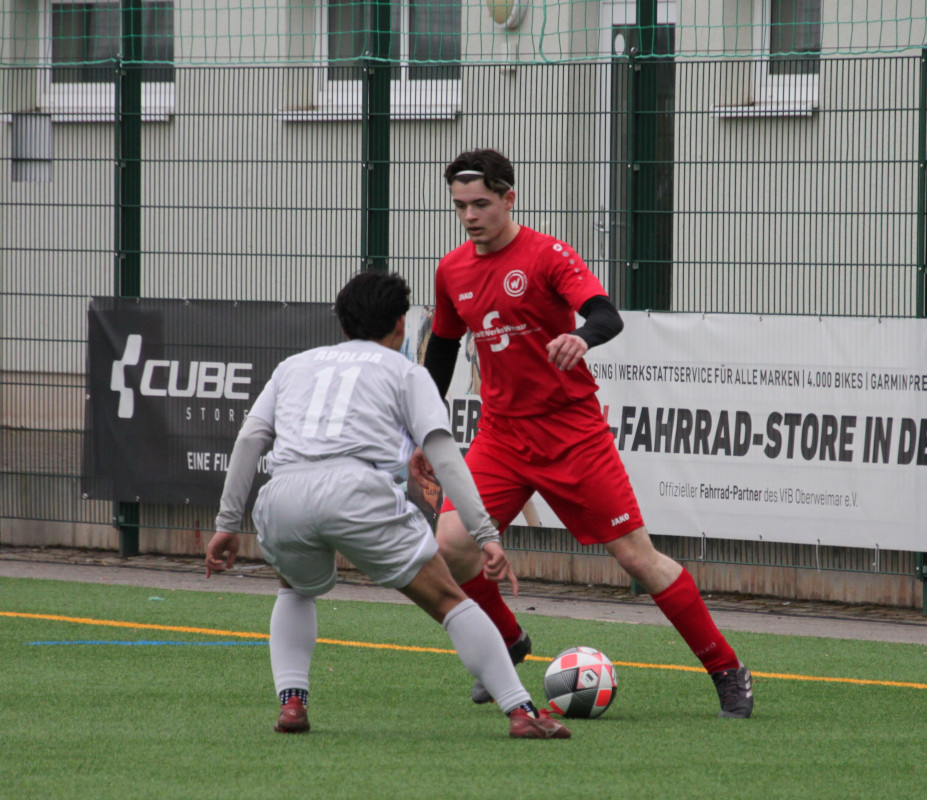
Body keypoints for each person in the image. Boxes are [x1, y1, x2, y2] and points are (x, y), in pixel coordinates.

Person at [416, 148, 753, 718]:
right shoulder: (452, 270)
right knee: (449, 544)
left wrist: (583, 338)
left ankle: (727, 669)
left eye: (481, 204)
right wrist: (419, 430)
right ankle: (510, 640)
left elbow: (605, 314)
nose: (470, 216)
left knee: (637, 559)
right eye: (460, 207)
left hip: (572, 434)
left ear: (508, 199)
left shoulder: (547, 255)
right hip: (501, 436)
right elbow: (442, 354)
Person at [205, 270, 570, 739]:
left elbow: (251, 438)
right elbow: (443, 453)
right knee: (448, 599)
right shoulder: (407, 372)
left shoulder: (294, 365)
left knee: (294, 588)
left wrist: (227, 523)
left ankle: (292, 704)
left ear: (342, 326)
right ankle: (521, 711)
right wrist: (485, 534)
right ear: (401, 324)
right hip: (358, 491)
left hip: (284, 493)